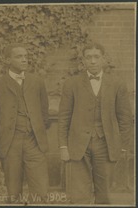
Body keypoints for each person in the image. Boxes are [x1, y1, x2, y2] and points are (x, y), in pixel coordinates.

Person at [58, 43, 132, 204]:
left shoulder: (117, 83)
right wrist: (63, 146)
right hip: (78, 146)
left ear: (104, 59)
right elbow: (64, 117)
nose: (92, 61)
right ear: (83, 60)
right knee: (79, 196)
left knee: (104, 194)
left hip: (105, 145)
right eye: (88, 57)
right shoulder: (72, 83)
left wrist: (123, 146)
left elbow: (125, 119)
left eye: (96, 57)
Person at [0, 44, 50, 204]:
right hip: (10, 144)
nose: (24, 59)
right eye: (19, 56)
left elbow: (45, 112)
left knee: (40, 191)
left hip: (34, 142)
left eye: (25, 56)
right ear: (7, 60)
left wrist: (35, 130)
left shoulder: (37, 82)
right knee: (13, 192)